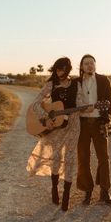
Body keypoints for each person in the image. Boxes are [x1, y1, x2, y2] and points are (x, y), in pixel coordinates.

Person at [26, 57, 83, 211]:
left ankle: (66, 196)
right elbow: (36, 104)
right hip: (57, 126)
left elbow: (79, 103)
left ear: (68, 70)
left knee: (70, 158)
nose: (60, 72)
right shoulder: (51, 85)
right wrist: (46, 117)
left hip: (73, 124)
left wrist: (86, 108)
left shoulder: (76, 84)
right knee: (56, 157)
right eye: (58, 69)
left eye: (63, 69)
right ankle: (54, 188)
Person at [76, 54, 111, 205]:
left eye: (92, 63)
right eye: (86, 64)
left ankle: (105, 191)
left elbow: (110, 101)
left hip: (99, 122)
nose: (89, 66)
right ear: (81, 67)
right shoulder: (76, 82)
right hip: (82, 124)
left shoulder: (103, 80)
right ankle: (87, 191)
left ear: (95, 65)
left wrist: (107, 118)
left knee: (103, 158)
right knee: (83, 158)